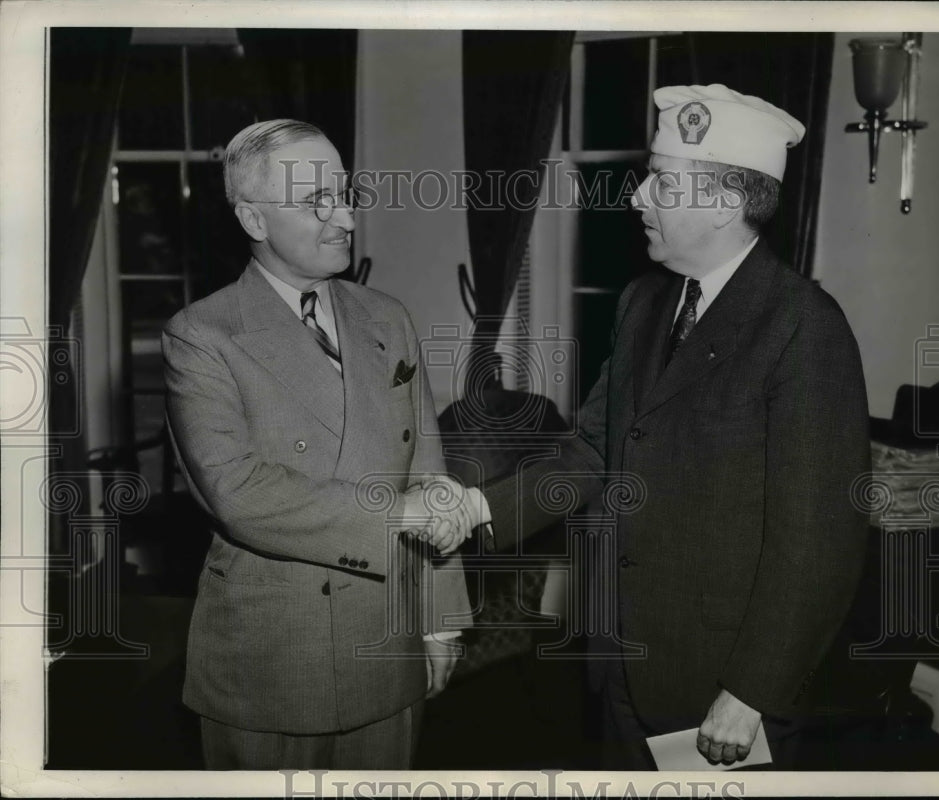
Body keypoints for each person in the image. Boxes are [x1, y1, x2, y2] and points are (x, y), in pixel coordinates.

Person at [433, 84, 872, 769]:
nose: (637, 198)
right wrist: (477, 507)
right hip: (617, 661)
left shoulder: (804, 329)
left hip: (719, 690)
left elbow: (819, 543)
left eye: (661, 183)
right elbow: (590, 451)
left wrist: (752, 691)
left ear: (726, 203)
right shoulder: (644, 302)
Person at [162, 119, 473, 770]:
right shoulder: (202, 334)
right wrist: (403, 515)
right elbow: (239, 493)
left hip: (387, 648)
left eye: (346, 193)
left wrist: (443, 618)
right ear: (253, 218)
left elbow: (426, 463)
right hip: (270, 663)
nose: (347, 219)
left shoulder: (387, 316)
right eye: (316, 203)